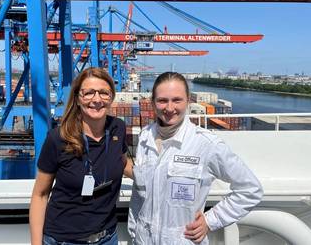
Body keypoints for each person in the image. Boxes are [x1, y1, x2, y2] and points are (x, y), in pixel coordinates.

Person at [128, 72, 263, 244]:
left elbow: (251, 189)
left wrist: (210, 220)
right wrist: (134, 233)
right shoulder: (144, 137)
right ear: (153, 103)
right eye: (162, 100)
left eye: (177, 100)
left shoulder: (206, 144)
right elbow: (138, 197)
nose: (169, 108)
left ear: (188, 101)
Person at [30, 67, 133, 245]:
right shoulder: (58, 138)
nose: (97, 99)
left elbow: (123, 163)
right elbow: (40, 195)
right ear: (78, 98)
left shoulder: (118, 128)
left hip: (107, 237)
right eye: (89, 93)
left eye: (104, 93)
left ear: (111, 97)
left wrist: (156, 176)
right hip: (63, 239)